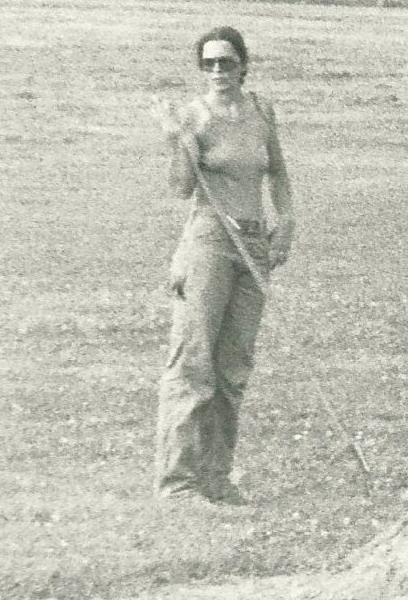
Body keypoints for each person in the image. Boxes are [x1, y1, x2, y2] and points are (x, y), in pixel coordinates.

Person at [151, 26, 295, 505]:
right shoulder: (193, 116)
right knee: (193, 364)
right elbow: (180, 189)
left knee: (233, 367)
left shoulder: (260, 111)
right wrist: (177, 141)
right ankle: (178, 483)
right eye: (208, 63)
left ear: (243, 65)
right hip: (211, 241)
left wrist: (286, 222)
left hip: (254, 247)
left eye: (226, 62)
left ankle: (217, 476)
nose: (218, 72)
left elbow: (276, 171)